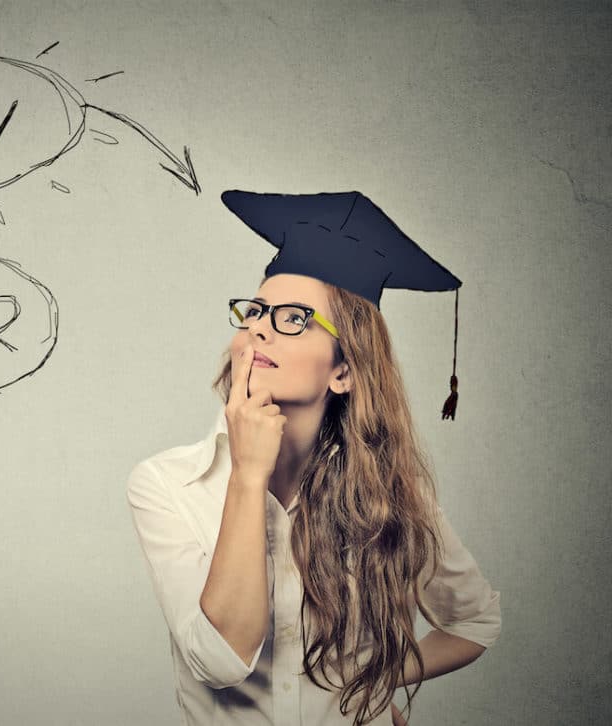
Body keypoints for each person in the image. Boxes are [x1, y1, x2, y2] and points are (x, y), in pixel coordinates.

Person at [126, 190, 501, 726]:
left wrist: (368, 681)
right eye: (255, 311)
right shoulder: (167, 483)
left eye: (293, 318)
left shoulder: (392, 490)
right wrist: (248, 477)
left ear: (343, 371)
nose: (257, 326)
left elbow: (474, 623)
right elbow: (219, 661)